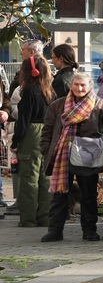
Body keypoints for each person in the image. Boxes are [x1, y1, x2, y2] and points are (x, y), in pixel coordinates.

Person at [39, 72, 103, 242]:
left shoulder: (100, 105)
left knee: (88, 194)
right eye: (76, 85)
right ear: (71, 86)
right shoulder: (58, 105)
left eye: (83, 85)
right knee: (59, 194)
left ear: (90, 86)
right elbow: (47, 131)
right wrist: (46, 150)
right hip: (62, 155)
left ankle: (89, 230)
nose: (79, 88)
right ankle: (55, 230)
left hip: (88, 155)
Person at [12, 56, 56, 227]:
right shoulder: (51, 91)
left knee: (29, 178)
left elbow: (23, 120)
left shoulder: (30, 91)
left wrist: (16, 141)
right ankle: (45, 218)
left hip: (32, 135)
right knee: (46, 178)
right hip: (48, 134)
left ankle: (28, 219)